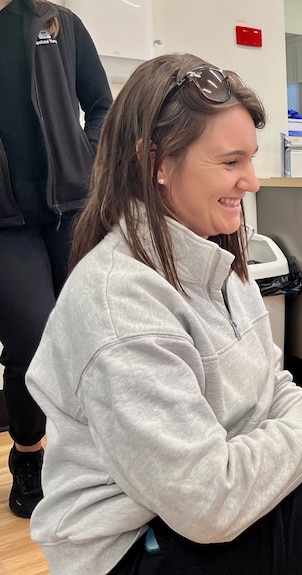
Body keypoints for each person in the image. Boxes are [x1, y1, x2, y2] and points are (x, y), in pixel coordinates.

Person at [25, 53, 302, 575]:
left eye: (251, 159)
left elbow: (270, 384)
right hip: (132, 549)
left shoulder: (216, 260)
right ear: (154, 161)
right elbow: (207, 502)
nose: (252, 182)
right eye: (231, 162)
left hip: (198, 511)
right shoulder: (120, 304)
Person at [0, 0, 112, 518]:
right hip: (4, 223)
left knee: (89, 331)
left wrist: (86, 163)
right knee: (32, 339)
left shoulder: (58, 22)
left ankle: (96, 453)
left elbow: (102, 104)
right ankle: (28, 453)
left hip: (70, 209)